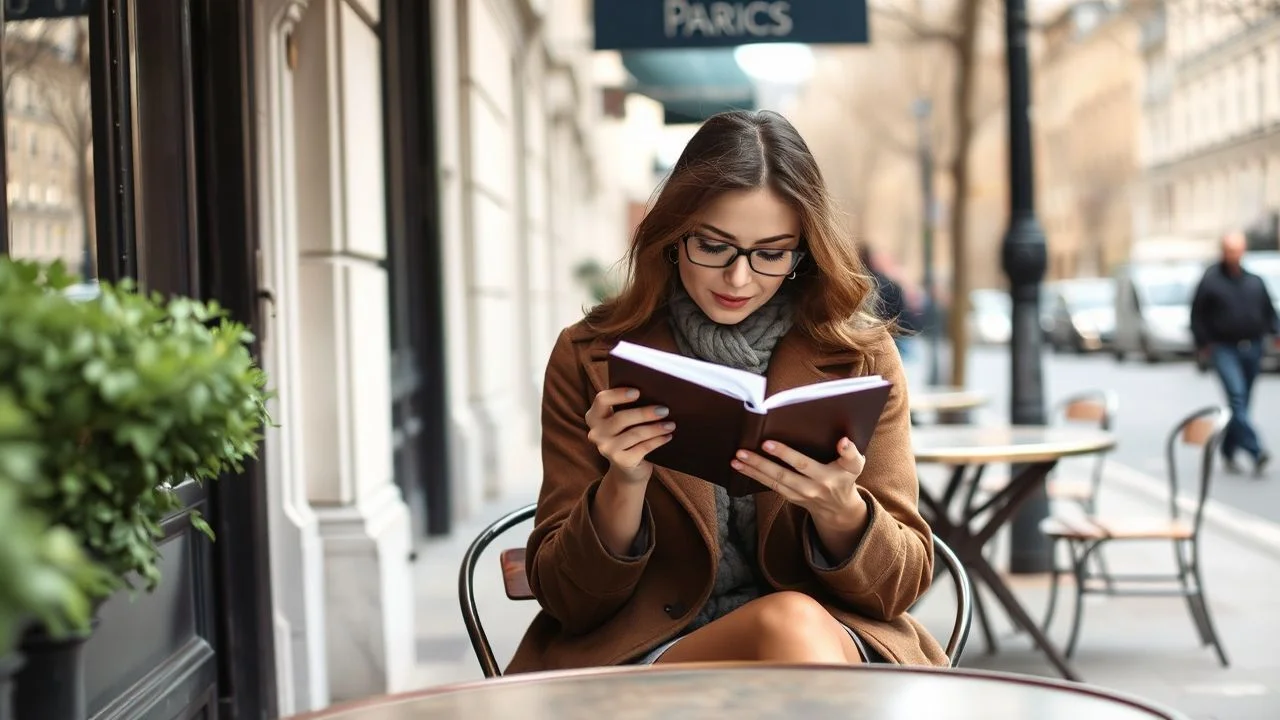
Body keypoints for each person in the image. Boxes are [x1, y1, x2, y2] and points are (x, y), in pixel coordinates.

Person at [505, 110, 946, 674]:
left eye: (770, 253)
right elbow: (569, 599)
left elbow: (899, 589)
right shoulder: (590, 357)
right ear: (671, 235)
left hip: (828, 644)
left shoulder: (860, 357)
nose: (739, 279)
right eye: (713, 247)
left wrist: (841, 513)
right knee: (786, 622)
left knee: (791, 621)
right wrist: (624, 482)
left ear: (803, 251)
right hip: (649, 654)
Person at [1190, 231, 1278, 477]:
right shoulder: (1211, 281)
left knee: (1242, 403)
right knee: (1237, 397)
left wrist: (1275, 332)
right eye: (1230, 250)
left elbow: (1268, 310)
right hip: (1223, 348)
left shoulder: (1254, 281)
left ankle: (1228, 448)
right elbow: (1197, 314)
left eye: (1238, 250)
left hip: (1252, 347)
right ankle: (1255, 449)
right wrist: (1204, 343)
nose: (1234, 255)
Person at [857, 244, 922, 358]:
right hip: (898, 335)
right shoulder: (889, 283)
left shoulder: (863, 283)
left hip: (879, 336)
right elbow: (902, 308)